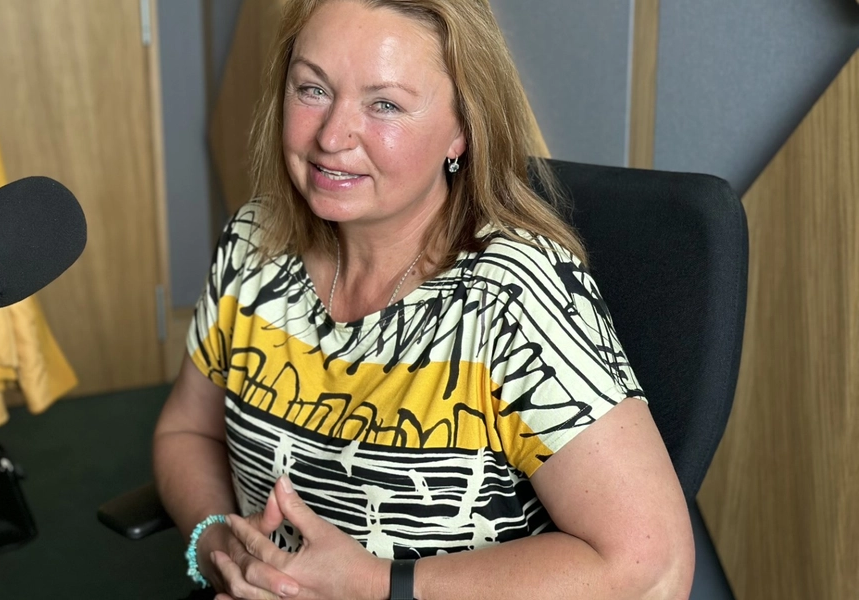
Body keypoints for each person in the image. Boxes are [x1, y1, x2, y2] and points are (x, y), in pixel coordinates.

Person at [153, 1, 694, 598]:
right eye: (312, 89)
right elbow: (186, 433)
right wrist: (219, 548)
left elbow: (654, 569)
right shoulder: (254, 242)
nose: (331, 136)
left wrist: (378, 585)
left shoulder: (512, 295)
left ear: (462, 128)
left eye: (384, 104)